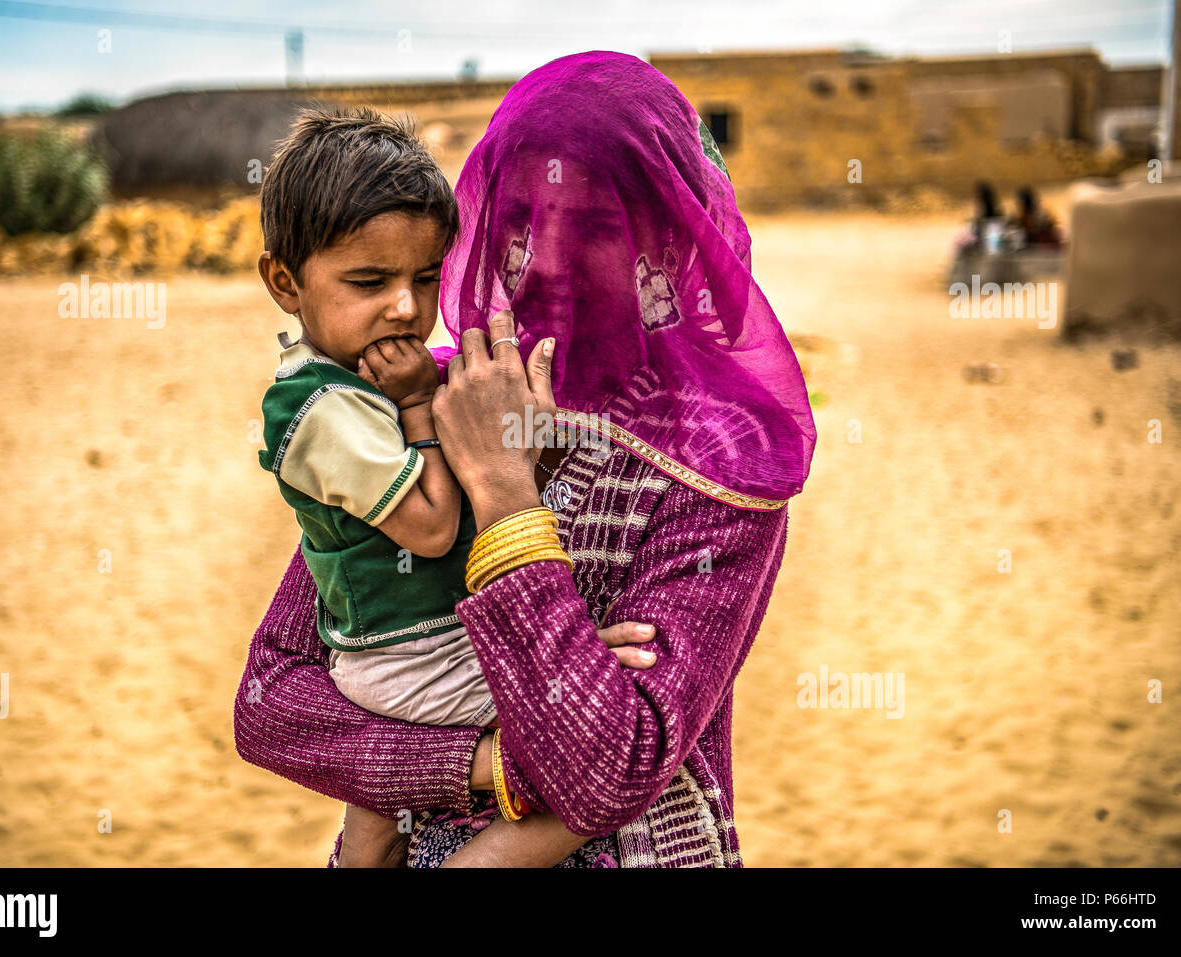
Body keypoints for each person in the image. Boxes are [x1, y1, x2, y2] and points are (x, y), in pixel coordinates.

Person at [234, 50, 816, 867]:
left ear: (669, 231)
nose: (543, 259)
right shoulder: (441, 394)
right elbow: (273, 698)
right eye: (519, 224)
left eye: (598, 225)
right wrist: (484, 763)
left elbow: (610, 771)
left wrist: (505, 491)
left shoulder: (723, 463)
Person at [254, 106, 609, 866]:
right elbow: (434, 526)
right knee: (586, 738)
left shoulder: (348, 380)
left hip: (394, 653)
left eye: (425, 277)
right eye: (369, 280)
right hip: (410, 657)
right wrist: (421, 405)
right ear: (285, 282)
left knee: (372, 836)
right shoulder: (324, 408)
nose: (408, 308)